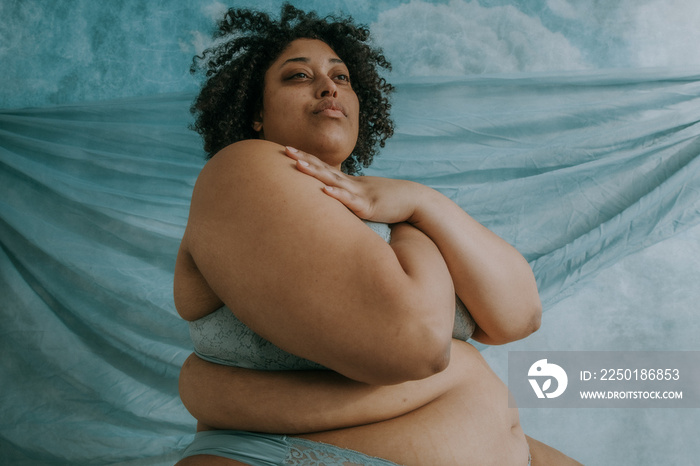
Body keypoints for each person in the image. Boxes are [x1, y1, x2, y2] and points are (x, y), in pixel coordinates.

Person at [174, 4, 581, 465]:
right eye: (298, 77)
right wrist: (413, 224)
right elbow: (416, 342)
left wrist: (420, 201)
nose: (329, 86)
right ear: (255, 114)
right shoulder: (243, 170)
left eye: (341, 77)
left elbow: (519, 315)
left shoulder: (384, 204)